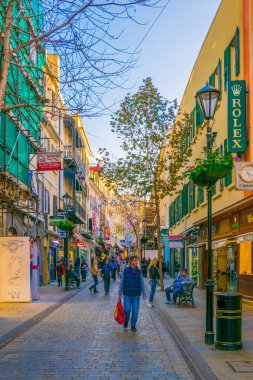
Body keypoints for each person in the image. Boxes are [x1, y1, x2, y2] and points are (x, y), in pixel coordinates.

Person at [118, 255, 147, 332]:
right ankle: (126, 320)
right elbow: (122, 282)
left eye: (137, 260)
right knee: (127, 310)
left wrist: (144, 293)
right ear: (131, 262)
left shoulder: (139, 271)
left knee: (135, 311)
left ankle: (133, 326)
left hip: (136, 295)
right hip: (127, 294)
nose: (136, 262)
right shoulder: (125, 270)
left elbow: (142, 282)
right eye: (135, 260)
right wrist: (120, 293)